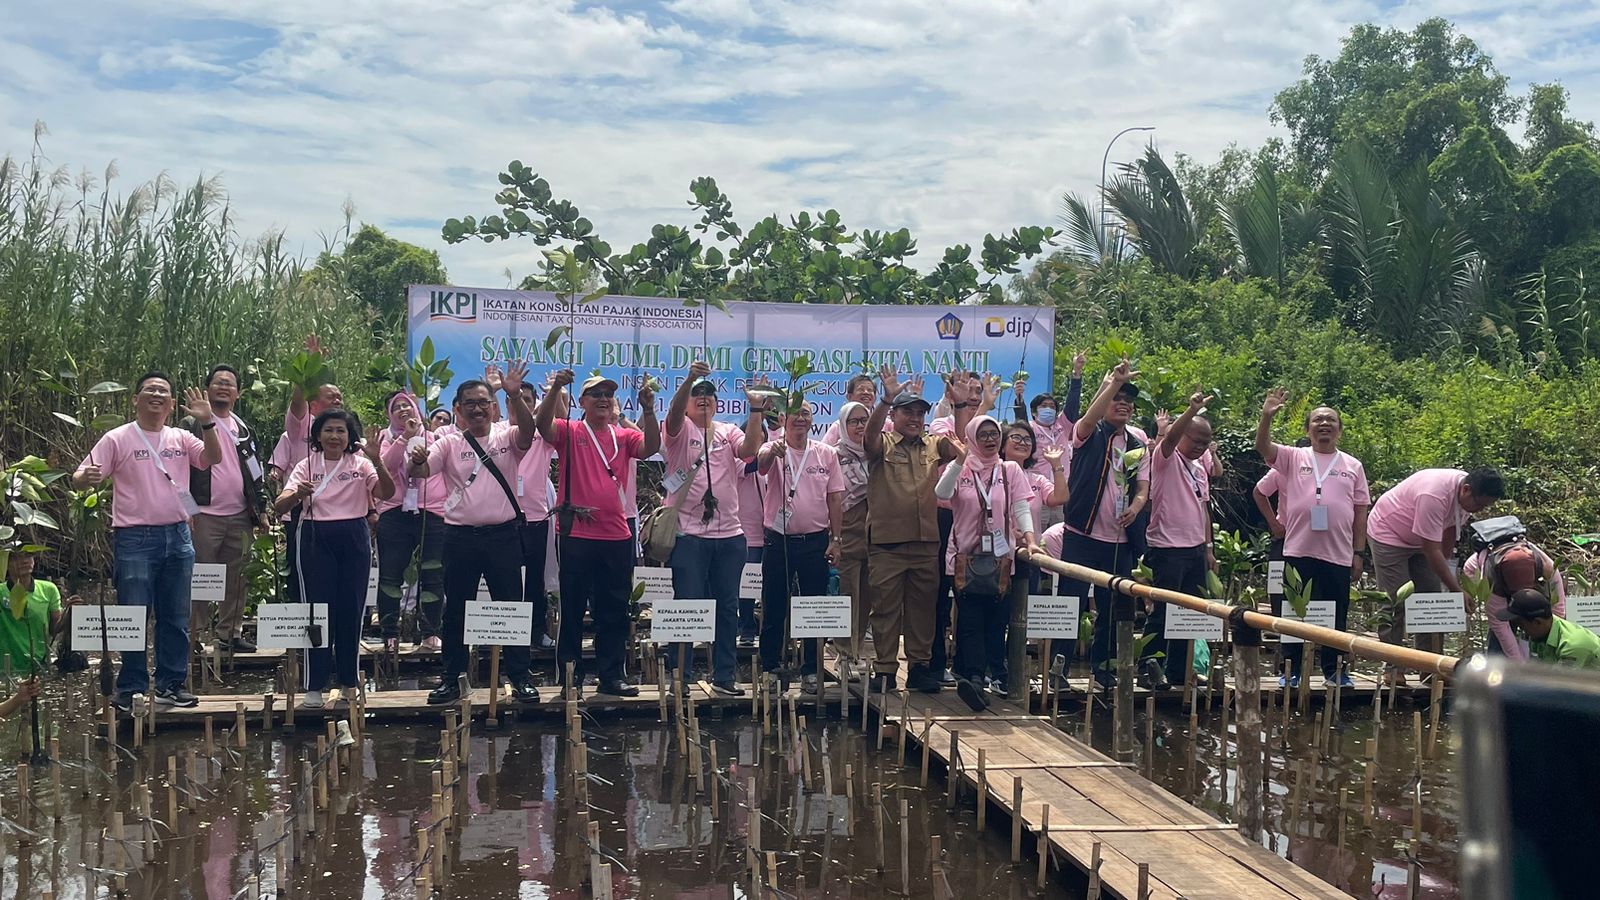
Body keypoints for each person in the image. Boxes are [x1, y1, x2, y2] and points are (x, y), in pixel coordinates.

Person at [73, 372, 222, 710]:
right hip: (134, 537)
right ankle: (133, 686)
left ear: (171, 404)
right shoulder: (117, 438)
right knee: (134, 613)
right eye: (149, 390)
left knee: (175, 615)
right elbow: (80, 476)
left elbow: (213, 458)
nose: (156, 394)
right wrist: (87, 477)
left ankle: (171, 684)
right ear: (135, 399)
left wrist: (208, 421)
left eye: (163, 391)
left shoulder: (181, 437)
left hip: (178, 535)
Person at [407, 362, 541, 705]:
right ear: (458, 408)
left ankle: (521, 678)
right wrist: (415, 458)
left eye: (484, 402)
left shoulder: (506, 434)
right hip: (460, 537)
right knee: (456, 612)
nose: (478, 408)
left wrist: (513, 392)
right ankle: (452, 679)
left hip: (503, 536)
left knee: (511, 607)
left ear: (494, 406)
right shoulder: (448, 443)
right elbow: (420, 471)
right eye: (470, 403)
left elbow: (528, 432)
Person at [537, 367, 659, 698]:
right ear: (583, 401)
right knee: (573, 608)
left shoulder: (623, 436)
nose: (604, 399)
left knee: (614, 609)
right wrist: (555, 390)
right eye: (597, 394)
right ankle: (570, 677)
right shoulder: (570, 430)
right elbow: (542, 426)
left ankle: (611, 676)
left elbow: (651, 448)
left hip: (617, 534)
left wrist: (649, 409)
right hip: (576, 533)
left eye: (609, 394)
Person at [275, 409, 394, 708]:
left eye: (341, 431)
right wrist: (297, 494)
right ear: (318, 435)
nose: (334, 436)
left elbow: (388, 492)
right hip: (315, 537)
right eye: (328, 430)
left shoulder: (362, 464)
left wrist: (378, 461)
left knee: (351, 610)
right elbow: (279, 506)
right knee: (316, 612)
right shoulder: (306, 465)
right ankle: (314, 686)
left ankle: (348, 683)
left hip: (354, 535)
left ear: (350, 436)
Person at [863, 368, 973, 693]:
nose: (914, 417)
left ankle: (920, 667)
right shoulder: (882, 443)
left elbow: (961, 445)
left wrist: (961, 404)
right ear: (894, 415)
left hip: (926, 543)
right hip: (887, 543)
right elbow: (868, 438)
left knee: (923, 609)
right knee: (884, 608)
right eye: (907, 411)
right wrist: (885, 398)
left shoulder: (934, 444)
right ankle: (884, 670)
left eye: (920, 412)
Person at [661, 361, 768, 696]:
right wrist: (691, 377)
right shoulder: (679, 431)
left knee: (728, 606)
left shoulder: (726, 431)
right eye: (697, 395)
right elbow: (675, 412)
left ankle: (724, 676)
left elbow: (750, 451)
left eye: (709, 394)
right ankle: (681, 675)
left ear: (718, 403)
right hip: (688, 534)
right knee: (687, 603)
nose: (704, 398)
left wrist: (755, 409)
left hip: (730, 535)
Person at [1254, 391, 1370, 687]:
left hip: (1338, 554)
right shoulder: (1294, 457)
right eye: (1317, 419)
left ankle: (1335, 671)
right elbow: (1262, 447)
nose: (1324, 423)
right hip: (1297, 549)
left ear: (1340, 430)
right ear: (1308, 429)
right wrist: (1267, 415)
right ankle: (1290, 671)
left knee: (1337, 614)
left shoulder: (1353, 465)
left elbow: (1360, 513)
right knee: (1293, 613)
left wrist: (1359, 553)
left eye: (1331, 419)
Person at [934, 415, 1038, 709]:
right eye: (983, 435)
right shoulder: (961, 468)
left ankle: (979, 677)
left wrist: (1030, 541)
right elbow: (941, 494)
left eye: (994, 434)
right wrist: (958, 461)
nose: (990, 439)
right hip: (965, 559)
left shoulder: (1010, 469)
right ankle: (976, 678)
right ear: (971, 438)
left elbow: (1020, 507)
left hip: (1000, 561)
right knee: (969, 620)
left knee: (995, 620)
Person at [1058, 361, 1149, 690]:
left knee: (1113, 608)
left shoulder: (1138, 446)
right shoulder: (1088, 434)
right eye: (1117, 398)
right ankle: (1059, 669)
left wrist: (1137, 507)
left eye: (1129, 401)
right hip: (1081, 536)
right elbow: (1089, 416)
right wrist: (1111, 383)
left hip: (1118, 541)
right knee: (1072, 602)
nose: (1123, 403)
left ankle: (1104, 670)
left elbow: (1142, 488)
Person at [1368, 467, 1504, 676]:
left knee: (1431, 598)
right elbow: (1431, 550)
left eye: (1486, 506)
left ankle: (1429, 667)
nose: (1480, 510)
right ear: (1466, 490)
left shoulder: (1466, 495)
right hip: (1389, 533)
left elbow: (1449, 529)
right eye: (1479, 504)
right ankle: (1393, 667)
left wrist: (1446, 572)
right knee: (1396, 599)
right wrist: (1456, 588)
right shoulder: (1433, 495)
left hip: (1422, 540)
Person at [755, 401, 844, 694]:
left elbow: (835, 498)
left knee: (812, 607)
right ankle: (769, 668)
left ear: (812, 420)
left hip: (815, 541)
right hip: (778, 540)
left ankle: (811, 670)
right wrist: (771, 450)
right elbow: (762, 463)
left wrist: (836, 539)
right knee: (775, 605)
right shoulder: (774, 447)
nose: (801, 419)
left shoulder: (826, 454)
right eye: (795, 414)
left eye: (806, 413)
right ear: (784, 418)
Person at [181, 364, 268, 653]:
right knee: (201, 577)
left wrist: (261, 509)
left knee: (238, 577)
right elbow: (177, 472)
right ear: (207, 389)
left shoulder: (244, 429)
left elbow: (255, 472)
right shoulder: (191, 424)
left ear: (238, 393)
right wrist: (188, 510)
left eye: (229, 384)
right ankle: (193, 635)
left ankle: (229, 633)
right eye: (217, 382)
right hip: (203, 516)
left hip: (240, 514)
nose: (223, 387)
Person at [1139, 390, 1215, 689]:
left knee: (1189, 616)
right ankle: (1148, 669)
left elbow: (1203, 508)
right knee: (1162, 612)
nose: (1199, 447)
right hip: (1167, 548)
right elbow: (1168, 440)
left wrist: (1208, 548)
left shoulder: (1200, 469)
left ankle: (1179, 671)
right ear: (1182, 434)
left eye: (1205, 443)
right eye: (1195, 440)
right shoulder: (1164, 459)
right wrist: (1190, 410)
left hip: (1195, 549)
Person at [375, 391, 447, 651]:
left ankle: (430, 631)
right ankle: (389, 633)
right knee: (391, 576)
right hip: (395, 513)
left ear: (417, 410)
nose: (403, 410)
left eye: (408, 405)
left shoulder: (435, 438)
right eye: (397, 407)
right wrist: (404, 438)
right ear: (389, 414)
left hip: (432, 512)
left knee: (432, 574)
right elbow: (387, 467)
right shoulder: (386, 438)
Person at [511, 379, 561, 650]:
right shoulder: (496, 433)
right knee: (505, 580)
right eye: (514, 400)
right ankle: (505, 635)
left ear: (533, 405)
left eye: (527, 400)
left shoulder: (542, 436)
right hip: (503, 519)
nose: (519, 405)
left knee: (534, 580)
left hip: (535, 518)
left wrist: (556, 392)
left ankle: (536, 632)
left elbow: (562, 421)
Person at [1464, 535, 1566, 661]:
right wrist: (1520, 667)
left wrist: (1550, 642)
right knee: (1500, 644)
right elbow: (1501, 627)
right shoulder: (1491, 580)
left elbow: (1558, 611)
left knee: (1541, 630)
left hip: (1529, 586)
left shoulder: (1548, 569)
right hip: (1484, 576)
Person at [1002, 421, 1067, 596]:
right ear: (1002, 445)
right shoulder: (991, 475)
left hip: (1029, 554)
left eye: (1028, 439)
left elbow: (1060, 498)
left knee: (1026, 611)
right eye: (1016, 437)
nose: (1023, 442)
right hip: (998, 555)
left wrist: (1056, 465)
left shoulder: (1036, 480)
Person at [833, 401, 873, 667]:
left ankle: (857, 649)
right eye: (854, 421)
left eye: (864, 420)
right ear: (843, 425)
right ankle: (844, 653)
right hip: (847, 529)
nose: (860, 426)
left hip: (875, 531)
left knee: (867, 596)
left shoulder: (877, 452)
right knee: (848, 595)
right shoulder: (834, 454)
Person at [2, 552, 81, 671]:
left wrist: (69, 611)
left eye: (28, 556)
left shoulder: (48, 589)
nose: (24, 561)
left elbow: (54, 629)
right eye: (16, 558)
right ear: (5, 564)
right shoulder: (1, 592)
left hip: (39, 665)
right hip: (6, 668)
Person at [1493, 589, 1600, 669]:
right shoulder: (1538, 635)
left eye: (1521, 625)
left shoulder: (1572, 645)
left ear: (1537, 622)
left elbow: (1558, 688)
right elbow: (1537, 673)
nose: (1522, 630)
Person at [821, 374, 888, 445]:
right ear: (849, 397)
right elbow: (823, 452)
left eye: (870, 390)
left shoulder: (887, 424)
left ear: (875, 397)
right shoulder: (839, 426)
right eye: (861, 389)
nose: (866, 392)